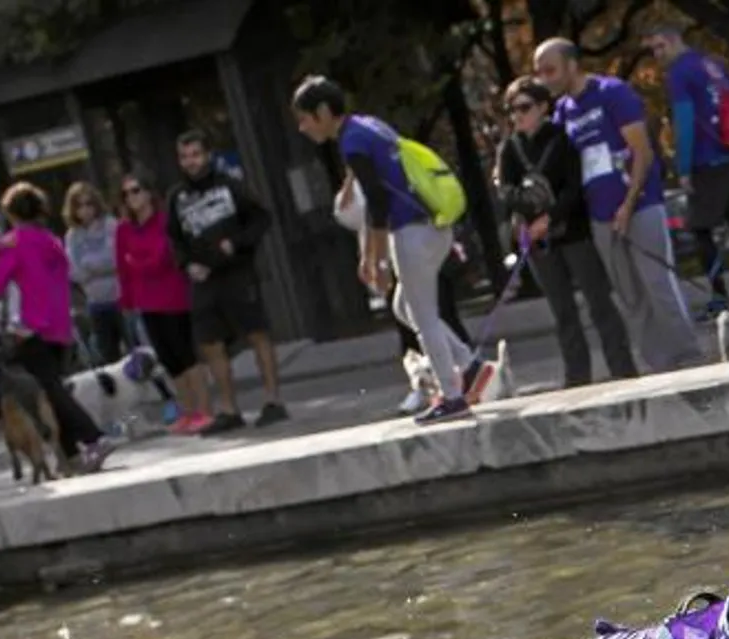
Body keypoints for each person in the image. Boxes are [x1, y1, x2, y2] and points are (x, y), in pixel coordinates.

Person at [293, 76, 478, 425]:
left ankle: (453, 397)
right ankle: (468, 364)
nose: (303, 127)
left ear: (321, 112)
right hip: (431, 226)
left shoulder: (352, 142)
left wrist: (374, 259)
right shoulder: (367, 126)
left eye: (304, 118)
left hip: (412, 232)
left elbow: (377, 203)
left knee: (423, 317)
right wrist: (372, 254)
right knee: (404, 307)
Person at [535, 37, 705, 374]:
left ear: (572, 65)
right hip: (600, 216)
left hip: (639, 205)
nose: (545, 79)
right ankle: (659, 364)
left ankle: (689, 359)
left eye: (550, 70)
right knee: (629, 294)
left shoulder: (612, 92)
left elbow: (642, 152)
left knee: (657, 284)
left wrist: (628, 204)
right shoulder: (562, 112)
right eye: (539, 72)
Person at [496, 76, 639, 389]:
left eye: (524, 107)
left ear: (543, 107)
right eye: (511, 109)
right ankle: (577, 377)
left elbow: (574, 186)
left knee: (598, 301)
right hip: (537, 242)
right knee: (562, 311)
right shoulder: (510, 148)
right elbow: (505, 190)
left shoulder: (561, 140)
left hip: (573, 232)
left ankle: (623, 369)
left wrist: (550, 216)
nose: (517, 115)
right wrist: (526, 213)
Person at [0, 183, 114, 472]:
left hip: (29, 327)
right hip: (59, 324)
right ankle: (69, 455)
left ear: (10, 212)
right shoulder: (51, 240)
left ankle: (94, 438)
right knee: (52, 386)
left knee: (49, 389)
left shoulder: (14, 243)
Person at [646, 22, 729, 320]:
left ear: (673, 41)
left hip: (707, 158)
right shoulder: (713, 63)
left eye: (659, 47)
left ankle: (719, 295)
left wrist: (684, 167)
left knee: (700, 227)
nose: (657, 55)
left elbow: (685, 120)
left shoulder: (679, 73)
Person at [164, 130, 287, 434]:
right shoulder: (176, 197)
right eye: (184, 156)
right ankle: (229, 409)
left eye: (195, 154)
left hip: (237, 274)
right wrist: (187, 264)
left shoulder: (230, 185)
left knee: (257, 334)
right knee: (211, 344)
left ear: (207, 155)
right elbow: (174, 239)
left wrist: (237, 243)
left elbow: (261, 219)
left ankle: (273, 400)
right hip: (203, 280)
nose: (191, 162)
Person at [117, 174, 212, 435]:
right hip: (145, 302)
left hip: (172, 296)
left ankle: (204, 410)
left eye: (136, 190)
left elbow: (161, 257)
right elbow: (123, 268)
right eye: (126, 194)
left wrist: (137, 262)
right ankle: (188, 411)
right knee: (170, 360)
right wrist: (126, 301)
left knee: (186, 354)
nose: (131, 198)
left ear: (148, 193)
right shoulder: (124, 230)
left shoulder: (163, 221)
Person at [63, 182, 128, 365]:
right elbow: (74, 272)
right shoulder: (72, 236)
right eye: (80, 206)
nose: (85, 210)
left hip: (121, 299)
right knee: (109, 357)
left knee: (136, 350)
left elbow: (116, 259)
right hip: (96, 304)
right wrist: (100, 266)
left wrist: (90, 265)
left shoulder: (110, 225)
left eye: (89, 204)